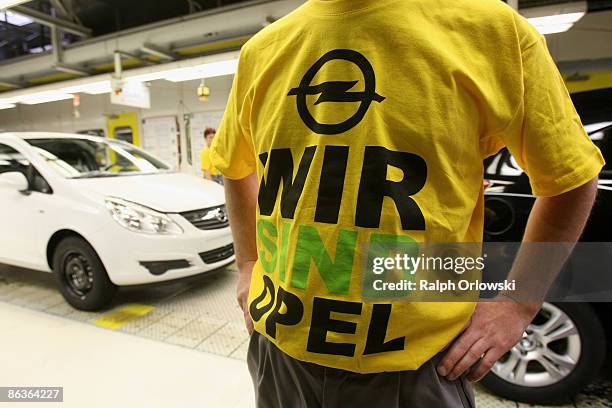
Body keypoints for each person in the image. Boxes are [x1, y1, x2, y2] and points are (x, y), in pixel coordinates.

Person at [209, 0, 604, 406]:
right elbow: (235, 166)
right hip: (280, 355)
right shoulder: (262, 49)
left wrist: (519, 302)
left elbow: (571, 178)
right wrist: (247, 265)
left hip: (416, 368)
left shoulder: (491, 31)